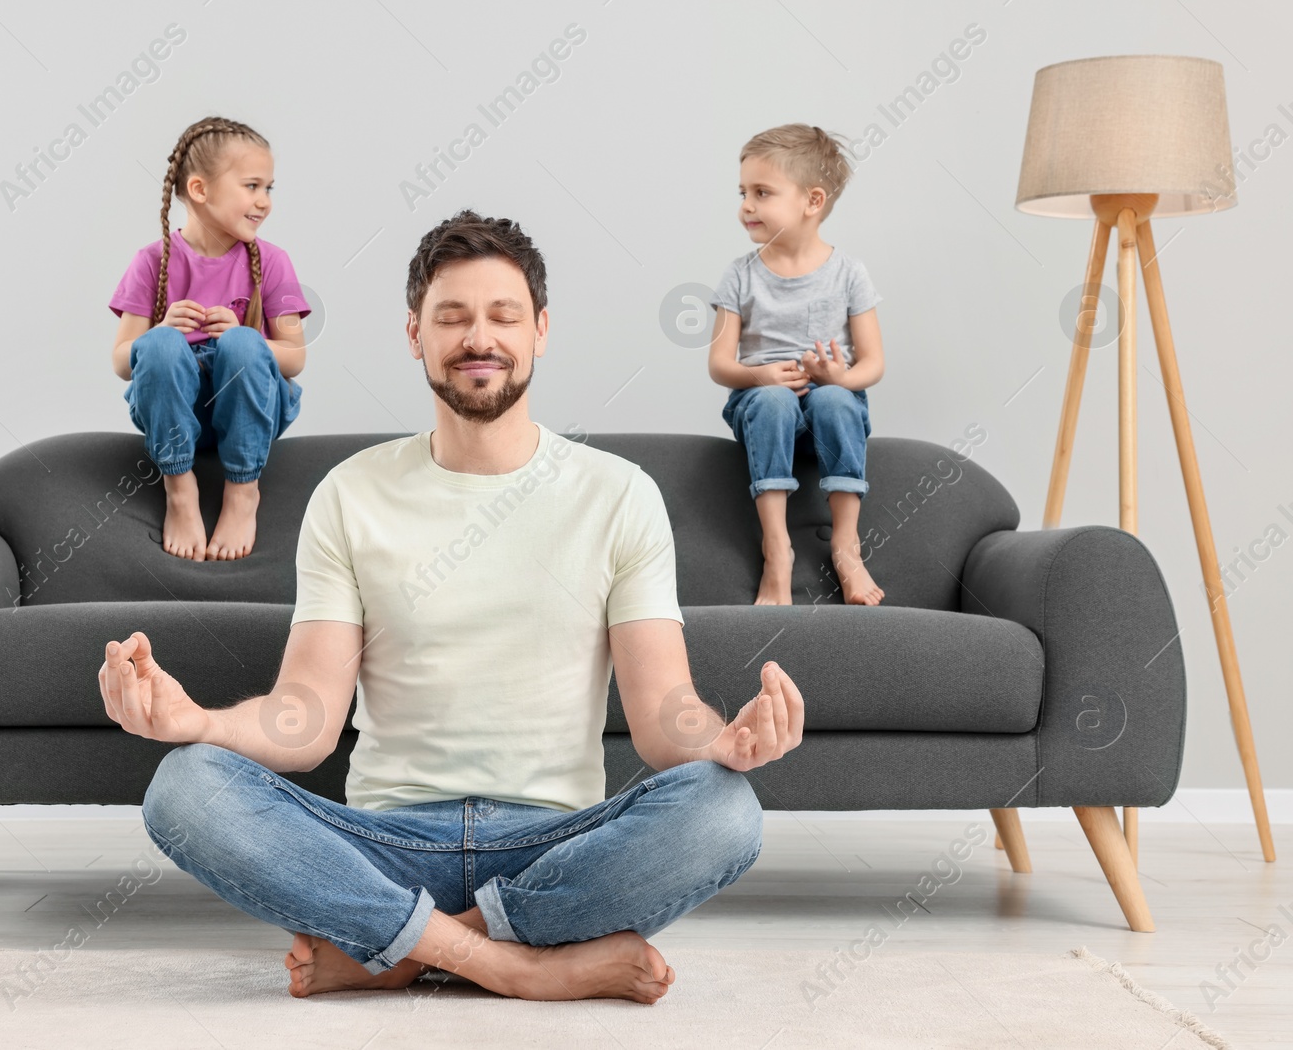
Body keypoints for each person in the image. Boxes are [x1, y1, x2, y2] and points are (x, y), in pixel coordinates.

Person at [100, 210, 807, 1004]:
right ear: (415, 334)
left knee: (723, 808)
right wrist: (198, 722)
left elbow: (661, 711)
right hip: (383, 841)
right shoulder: (352, 493)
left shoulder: (620, 495)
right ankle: (516, 963)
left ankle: (402, 953)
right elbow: (305, 717)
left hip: (556, 843)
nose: (481, 337)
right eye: (453, 317)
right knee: (185, 788)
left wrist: (724, 739)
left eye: (504, 316)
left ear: (540, 329)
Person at [109, 116, 310, 562]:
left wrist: (244, 335)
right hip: (180, 415)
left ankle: (243, 493)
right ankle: (180, 490)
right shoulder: (151, 261)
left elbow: (294, 358)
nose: (264, 202)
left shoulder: (273, 262)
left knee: (241, 345)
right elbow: (123, 361)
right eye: (252, 186)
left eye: (269, 189)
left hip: (251, 409)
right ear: (200, 190)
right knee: (158, 346)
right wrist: (161, 332)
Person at [709, 123, 888, 606]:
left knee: (836, 399)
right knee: (771, 400)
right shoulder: (739, 276)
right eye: (743, 191)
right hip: (764, 407)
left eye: (762, 192)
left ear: (812, 201)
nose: (746, 205)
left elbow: (873, 362)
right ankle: (777, 548)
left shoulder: (849, 273)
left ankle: (847, 547)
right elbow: (720, 364)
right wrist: (759, 374)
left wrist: (841, 377)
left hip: (829, 404)